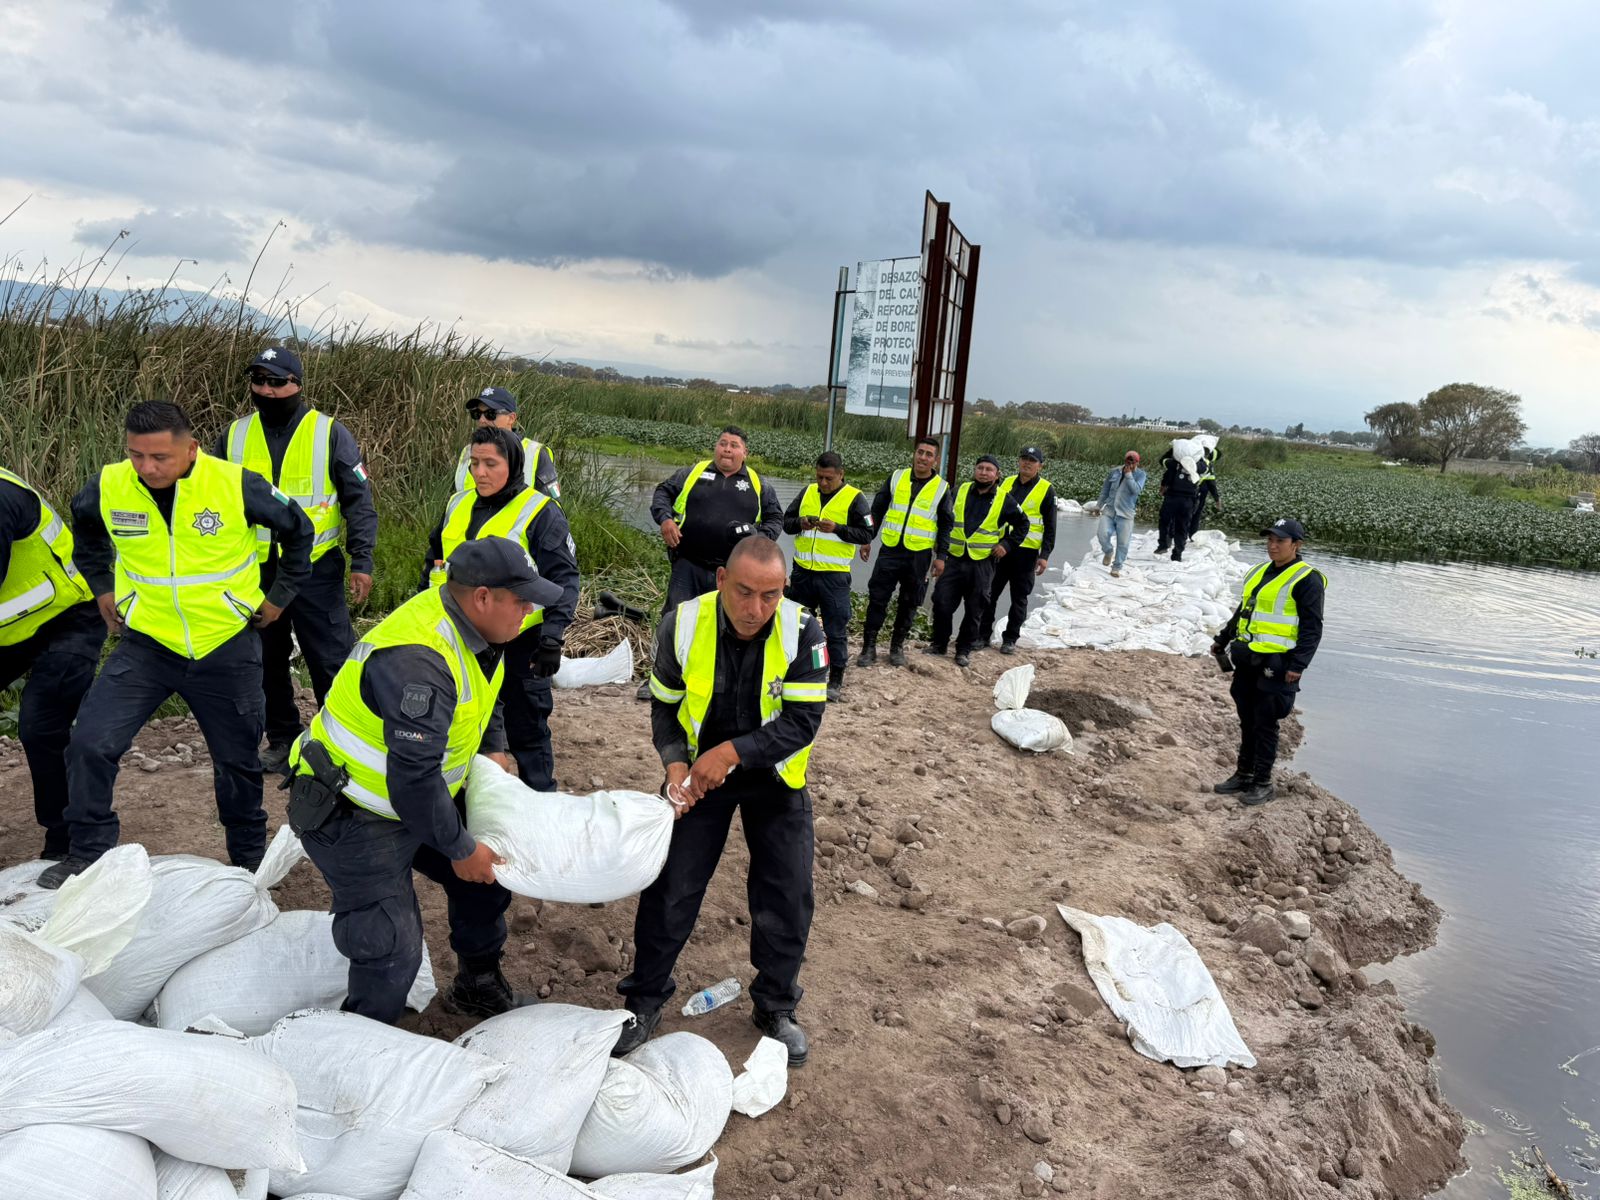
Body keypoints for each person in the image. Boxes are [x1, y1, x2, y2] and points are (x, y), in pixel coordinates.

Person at [292, 536, 567, 1022]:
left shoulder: (482, 630)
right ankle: (361, 1041)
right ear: (483, 597)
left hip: (416, 798)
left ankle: (477, 987)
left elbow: (483, 696)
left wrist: (492, 746)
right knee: (391, 945)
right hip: (351, 810)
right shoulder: (418, 661)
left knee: (489, 876)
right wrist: (459, 849)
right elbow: (413, 781)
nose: (529, 610)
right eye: (521, 600)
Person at [41, 401, 314, 888]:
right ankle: (88, 853)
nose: (146, 468)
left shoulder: (235, 484)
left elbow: (300, 531)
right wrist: (102, 587)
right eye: (136, 455)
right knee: (89, 743)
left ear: (191, 449)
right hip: (147, 645)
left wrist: (278, 598)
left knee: (237, 761)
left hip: (224, 644)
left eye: (159, 457)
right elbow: (85, 534)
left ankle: (248, 861)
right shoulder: (109, 485)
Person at [617, 536, 827, 1066]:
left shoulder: (804, 631)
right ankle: (643, 1001)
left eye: (770, 595)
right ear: (720, 580)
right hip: (699, 778)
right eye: (744, 592)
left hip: (773, 777)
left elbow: (802, 723)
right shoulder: (683, 624)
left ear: (784, 590)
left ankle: (775, 1005)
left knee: (788, 891)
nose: (756, 608)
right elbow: (665, 708)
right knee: (671, 886)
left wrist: (732, 753)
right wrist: (675, 764)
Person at [218, 346, 378, 773]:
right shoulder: (234, 435)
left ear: (298, 385)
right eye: (259, 381)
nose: (267, 391)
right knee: (266, 660)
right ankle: (283, 739)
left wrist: (362, 559)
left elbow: (358, 501)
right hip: (255, 571)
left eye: (277, 382)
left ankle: (342, 744)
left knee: (330, 659)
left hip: (314, 570)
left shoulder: (329, 433)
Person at [424, 427, 580, 791]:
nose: (480, 472)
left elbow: (564, 579)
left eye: (490, 464)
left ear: (512, 465)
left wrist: (552, 637)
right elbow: (433, 563)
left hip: (520, 641)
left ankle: (541, 798)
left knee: (526, 728)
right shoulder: (457, 504)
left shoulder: (540, 512)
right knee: (457, 721)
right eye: (474, 463)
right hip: (457, 637)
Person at [0, 467, 105, 860]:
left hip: (69, 616)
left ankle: (68, 839)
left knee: (40, 724)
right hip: (12, 626)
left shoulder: (2, 498)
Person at [639, 426, 782, 698]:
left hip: (731, 574)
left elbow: (776, 519)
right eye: (722, 443)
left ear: (745, 452)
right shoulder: (693, 473)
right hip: (688, 564)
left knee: (724, 625)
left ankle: (717, 682)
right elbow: (663, 492)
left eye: (734, 445)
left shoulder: (757, 484)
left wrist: (758, 538)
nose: (727, 449)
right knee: (674, 621)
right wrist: (665, 520)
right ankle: (659, 678)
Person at [1210, 519, 1326, 807]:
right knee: (1247, 718)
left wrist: (1298, 665)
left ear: (1296, 545)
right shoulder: (1260, 572)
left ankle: (1263, 783)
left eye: (1280, 541)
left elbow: (1312, 628)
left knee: (1265, 722)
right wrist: (1223, 638)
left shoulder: (1306, 579)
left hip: (1279, 663)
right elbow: (1244, 611)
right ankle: (1244, 774)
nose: (1272, 546)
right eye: (1270, 540)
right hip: (1249, 657)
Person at [782, 451, 873, 701]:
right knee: (796, 625)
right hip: (803, 573)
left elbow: (867, 534)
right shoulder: (807, 492)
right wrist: (801, 522)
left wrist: (838, 529)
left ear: (841, 474)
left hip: (834, 577)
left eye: (828, 478)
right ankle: (797, 671)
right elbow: (786, 522)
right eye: (819, 477)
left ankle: (835, 680)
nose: (823, 483)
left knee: (835, 630)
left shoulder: (854, 498)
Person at [857, 437, 952, 668]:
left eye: (929, 454)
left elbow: (946, 525)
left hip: (919, 555)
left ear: (935, 460)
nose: (923, 458)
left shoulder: (942, 488)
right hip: (890, 550)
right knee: (878, 598)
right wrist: (868, 538)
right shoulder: (896, 477)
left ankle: (896, 647)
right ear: (914, 454)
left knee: (909, 602)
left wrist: (941, 557)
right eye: (920, 452)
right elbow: (876, 511)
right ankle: (868, 647)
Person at [928, 455, 1025, 668]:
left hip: (982, 563)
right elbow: (942, 518)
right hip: (954, 558)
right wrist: (939, 547)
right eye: (980, 468)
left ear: (997, 475)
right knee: (942, 601)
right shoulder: (959, 491)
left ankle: (963, 650)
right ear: (975, 470)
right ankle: (939, 644)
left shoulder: (1004, 499)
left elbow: (1023, 524)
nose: (983, 472)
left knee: (975, 609)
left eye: (989, 469)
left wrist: (1006, 545)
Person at [980, 447, 1057, 654]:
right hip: (1001, 549)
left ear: (1040, 465)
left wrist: (1044, 555)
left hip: (1026, 553)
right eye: (1024, 458)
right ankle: (982, 636)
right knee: (989, 594)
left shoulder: (1046, 489)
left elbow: (1050, 527)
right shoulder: (1006, 483)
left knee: (1019, 598)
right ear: (1019, 461)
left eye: (1032, 460)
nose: (1027, 463)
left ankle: (1010, 639)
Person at [454, 387, 561, 500]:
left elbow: (553, 503)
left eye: (490, 414)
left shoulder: (535, 453)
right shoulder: (468, 452)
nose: (482, 420)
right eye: (477, 414)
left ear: (511, 418)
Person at [1096, 451, 1147, 576]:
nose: (1130, 464)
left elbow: (1136, 490)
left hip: (1126, 513)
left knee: (1123, 543)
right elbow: (1105, 490)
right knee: (1102, 534)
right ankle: (1108, 551)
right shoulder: (1115, 471)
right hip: (1110, 510)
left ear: (1137, 463)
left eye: (1133, 462)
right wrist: (1098, 505)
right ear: (1125, 461)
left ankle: (1116, 567)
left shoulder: (1141, 475)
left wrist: (1129, 475)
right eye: (1128, 461)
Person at [1155, 447, 1199, 561]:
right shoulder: (1198, 465)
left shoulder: (1173, 464)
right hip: (1188, 501)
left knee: (1164, 522)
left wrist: (1173, 451)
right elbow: (1204, 466)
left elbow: (1163, 460)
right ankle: (1177, 553)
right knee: (1182, 527)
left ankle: (1163, 545)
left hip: (1172, 498)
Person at [1188, 453, 1222, 538]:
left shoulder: (1188, 459)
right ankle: (1192, 536)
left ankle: (1178, 535)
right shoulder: (1207, 463)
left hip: (1186, 491)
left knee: (1184, 513)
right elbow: (1211, 483)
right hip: (1199, 492)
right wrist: (1217, 499)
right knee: (1196, 514)